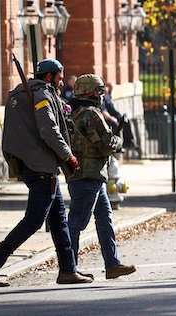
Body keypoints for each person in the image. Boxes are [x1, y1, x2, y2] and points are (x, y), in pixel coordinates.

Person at [0, 58, 92, 287]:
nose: (61, 83)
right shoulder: (41, 95)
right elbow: (49, 130)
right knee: (32, 221)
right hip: (42, 169)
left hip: (36, 166)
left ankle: (68, 271)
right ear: (49, 77)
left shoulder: (17, 94)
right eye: (59, 78)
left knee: (59, 220)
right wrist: (68, 155)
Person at [66, 74, 136, 279]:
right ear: (88, 92)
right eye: (98, 91)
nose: (101, 95)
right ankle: (68, 268)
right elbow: (106, 143)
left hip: (88, 174)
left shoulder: (73, 112)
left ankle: (112, 265)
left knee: (104, 218)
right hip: (89, 175)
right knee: (77, 222)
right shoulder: (91, 114)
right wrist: (119, 141)